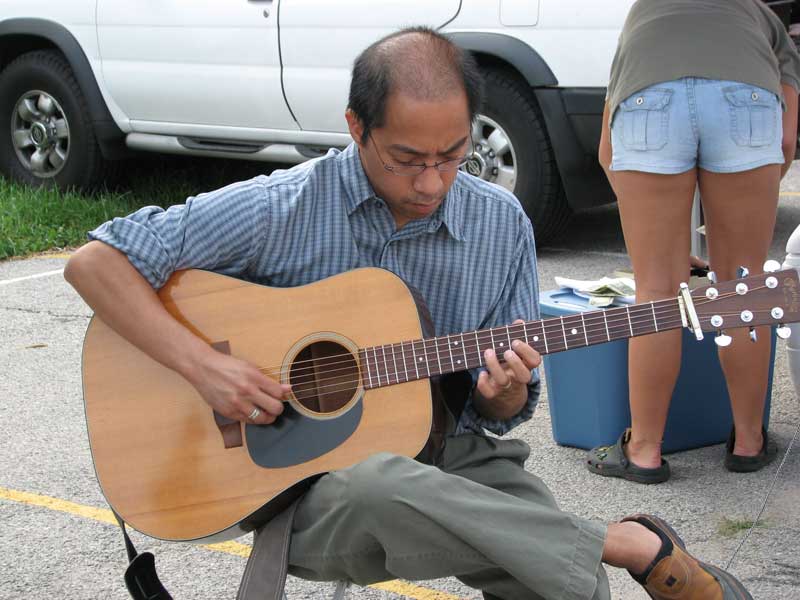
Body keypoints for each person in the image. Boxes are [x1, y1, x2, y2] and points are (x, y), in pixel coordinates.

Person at [65, 27, 754, 600]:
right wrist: (208, 369)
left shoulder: (499, 225)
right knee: (381, 483)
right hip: (308, 496)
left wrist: (503, 388)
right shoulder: (283, 207)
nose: (431, 182)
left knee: (560, 581)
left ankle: (595, 553)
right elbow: (95, 263)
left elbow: (505, 412)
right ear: (356, 128)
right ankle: (626, 542)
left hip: (446, 450)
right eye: (405, 159)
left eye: (453, 156)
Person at [589, 0, 800, 484]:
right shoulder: (764, 20)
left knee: (656, 292)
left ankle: (643, 450)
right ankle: (748, 443)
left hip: (647, 100)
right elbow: (786, 142)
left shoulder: (644, 13)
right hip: (746, 103)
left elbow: (607, 152)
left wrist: (657, 239)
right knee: (741, 286)